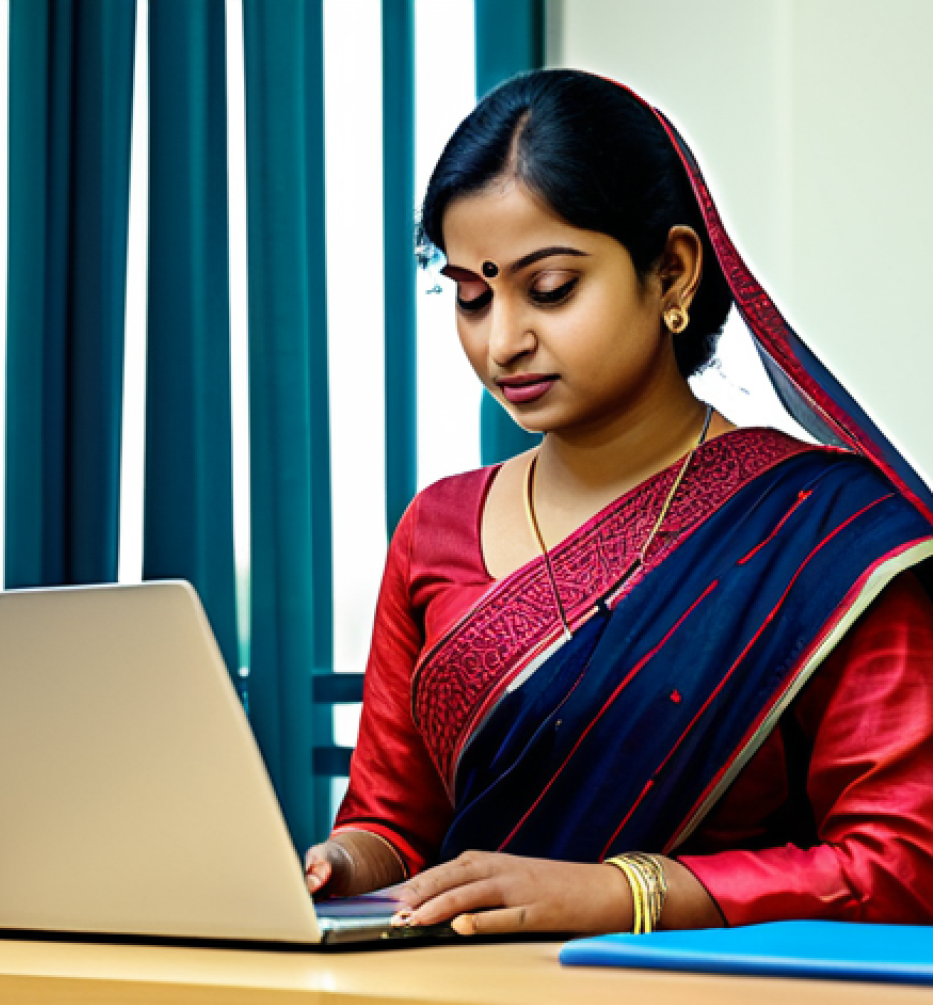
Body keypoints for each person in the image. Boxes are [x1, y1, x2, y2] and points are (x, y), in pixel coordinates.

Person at [304, 69, 933, 936]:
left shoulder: (827, 533)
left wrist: (623, 893)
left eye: (551, 288)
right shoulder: (435, 528)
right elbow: (394, 825)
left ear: (672, 272)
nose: (503, 341)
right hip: (463, 996)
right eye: (472, 296)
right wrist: (340, 864)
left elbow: (903, 870)